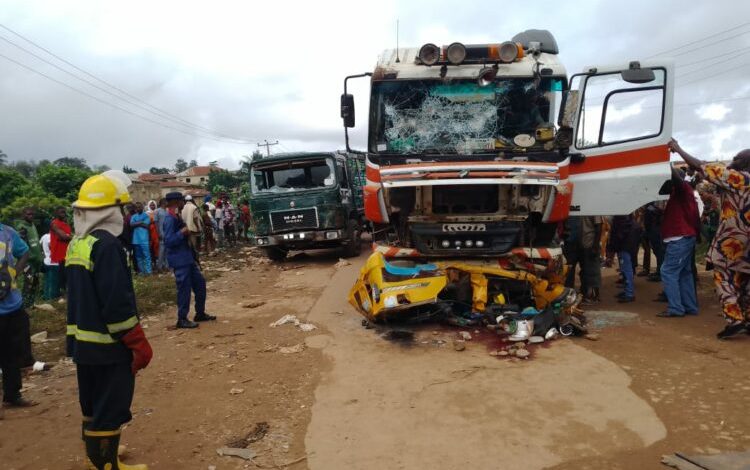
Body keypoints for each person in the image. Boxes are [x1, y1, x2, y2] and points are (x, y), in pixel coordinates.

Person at [65, 173, 152, 468]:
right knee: (111, 404)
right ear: (110, 211)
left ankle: (99, 457)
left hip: (83, 345)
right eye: (122, 209)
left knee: (91, 404)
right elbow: (117, 301)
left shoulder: (79, 243)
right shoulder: (108, 245)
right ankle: (107, 464)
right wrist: (136, 340)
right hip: (108, 346)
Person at [670, 139, 750, 338]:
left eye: (736, 158)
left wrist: (678, 149)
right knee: (744, 279)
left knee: (722, 275)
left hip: (734, 238)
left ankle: (734, 319)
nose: (732, 160)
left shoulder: (739, 178)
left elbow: (704, 166)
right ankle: (746, 319)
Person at [0, 223, 37, 418]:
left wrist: (15, 272)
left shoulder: (7, 232)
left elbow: (25, 252)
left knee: (13, 354)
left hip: (13, 305)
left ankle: (12, 395)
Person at [163, 192, 216, 329]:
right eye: (181, 200)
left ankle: (200, 313)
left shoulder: (176, 215)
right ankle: (182, 319)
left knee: (200, 284)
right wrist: (182, 233)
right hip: (179, 260)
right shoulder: (169, 219)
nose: (183, 203)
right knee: (184, 290)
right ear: (175, 201)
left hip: (187, 258)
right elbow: (168, 241)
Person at [657, 158, 701, 318]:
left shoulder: (683, 189)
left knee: (668, 271)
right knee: (684, 273)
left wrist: (664, 162)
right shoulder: (679, 193)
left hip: (679, 238)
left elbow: (676, 178)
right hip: (683, 237)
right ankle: (690, 306)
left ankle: (676, 308)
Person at [609, 214, 641, 303]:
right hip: (629, 245)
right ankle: (628, 291)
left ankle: (629, 294)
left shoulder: (621, 220)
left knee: (626, 270)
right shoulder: (628, 218)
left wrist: (613, 248)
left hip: (625, 246)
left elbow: (618, 235)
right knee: (626, 269)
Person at [14, 207, 42, 307]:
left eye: (32, 214)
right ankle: (24, 305)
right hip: (28, 262)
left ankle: (31, 304)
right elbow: (22, 247)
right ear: (23, 215)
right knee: (28, 284)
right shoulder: (22, 227)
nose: (31, 216)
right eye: (28, 214)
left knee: (35, 283)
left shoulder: (33, 225)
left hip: (36, 261)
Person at [50, 206, 72, 294]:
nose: (63, 213)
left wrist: (68, 236)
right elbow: (63, 236)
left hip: (67, 255)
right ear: (55, 213)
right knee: (60, 280)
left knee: (67, 278)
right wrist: (71, 237)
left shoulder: (66, 224)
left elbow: (67, 236)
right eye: (60, 212)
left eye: (64, 212)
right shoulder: (54, 223)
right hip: (58, 256)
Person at [129, 202, 152, 275]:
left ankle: (148, 272)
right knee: (139, 257)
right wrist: (141, 222)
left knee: (147, 256)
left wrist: (137, 223)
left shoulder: (146, 215)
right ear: (135, 209)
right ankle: (142, 272)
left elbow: (146, 225)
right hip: (136, 240)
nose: (138, 208)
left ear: (142, 207)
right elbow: (131, 224)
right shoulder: (134, 216)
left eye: (139, 207)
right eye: (137, 207)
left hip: (144, 240)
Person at [40, 229, 58, 300]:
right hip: (54, 262)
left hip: (46, 261)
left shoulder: (44, 236)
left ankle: (46, 296)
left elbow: (40, 244)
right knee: (53, 281)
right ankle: (51, 298)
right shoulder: (54, 237)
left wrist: (43, 253)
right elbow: (51, 245)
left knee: (47, 280)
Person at [154, 199, 170, 272]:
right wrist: (158, 233)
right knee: (161, 250)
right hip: (161, 233)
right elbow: (156, 223)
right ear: (163, 202)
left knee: (167, 250)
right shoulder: (157, 211)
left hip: (168, 232)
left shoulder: (167, 210)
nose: (167, 202)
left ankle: (166, 266)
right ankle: (159, 267)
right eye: (166, 201)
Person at [146, 200, 160, 270]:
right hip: (150, 231)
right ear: (149, 206)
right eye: (151, 205)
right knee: (151, 247)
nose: (152, 206)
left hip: (157, 231)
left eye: (153, 205)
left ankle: (158, 262)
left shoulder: (158, 212)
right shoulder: (146, 213)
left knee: (157, 245)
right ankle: (153, 263)